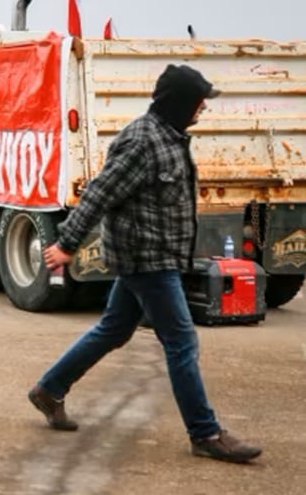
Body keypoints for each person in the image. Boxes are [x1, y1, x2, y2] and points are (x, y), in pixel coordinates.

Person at [28, 63, 262, 464]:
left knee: (114, 328)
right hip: (146, 259)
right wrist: (67, 242)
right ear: (180, 103)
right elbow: (100, 192)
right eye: (198, 102)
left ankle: (50, 389)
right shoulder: (142, 142)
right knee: (182, 341)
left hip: (156, 254)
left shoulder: (168, 137)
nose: (202, 108)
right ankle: (205, 433)